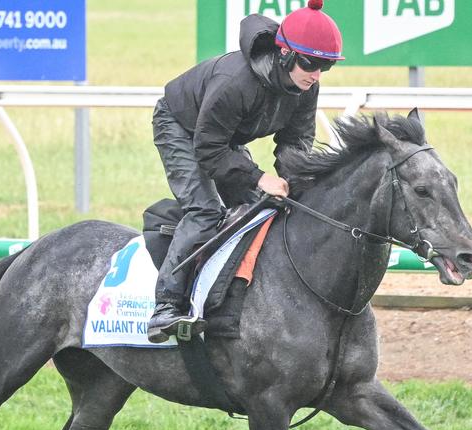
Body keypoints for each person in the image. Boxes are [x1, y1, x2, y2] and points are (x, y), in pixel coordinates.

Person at [147, 0, 344, 343]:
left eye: (324, 67)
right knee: (206, 211)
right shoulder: (234, 82)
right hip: (181, 127)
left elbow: (295, 141)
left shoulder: (306, 86)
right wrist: (258, 176)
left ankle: (232, 299)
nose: (315, 75)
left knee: (263, 208)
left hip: (223, 139)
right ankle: (165, 305)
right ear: (284, 55)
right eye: (310, 63)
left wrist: (295, 183)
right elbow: (208, 151)